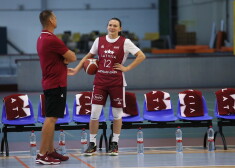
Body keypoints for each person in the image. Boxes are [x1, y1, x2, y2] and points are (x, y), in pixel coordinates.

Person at [68, 18, 146, 156]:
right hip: (100, 82)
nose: (112, 27)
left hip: (117, 82)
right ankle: (92, 143)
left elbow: (141, 56)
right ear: (107, 27)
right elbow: (89, 56)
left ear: (120, 29)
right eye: (110, 25)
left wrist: (127, 68)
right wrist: (76, 69)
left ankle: (114, 143)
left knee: (117, 115)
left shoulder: (125, 42)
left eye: (115, 26)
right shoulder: (99, 40)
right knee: (94, 114)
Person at [36, 10, 76, 165]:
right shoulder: (52, 39)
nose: (56, 19)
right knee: (51, 118)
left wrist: (62, 64)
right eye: (55, 17)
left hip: (50, 82)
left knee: (52, 117)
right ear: (51, 20)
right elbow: (72, 56)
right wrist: (65, 61)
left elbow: (54, 59)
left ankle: (50, 151)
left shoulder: (41, 38)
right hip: (56, 84)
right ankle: (41, 154)